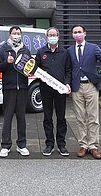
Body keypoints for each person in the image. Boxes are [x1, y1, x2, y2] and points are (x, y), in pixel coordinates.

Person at [68, 24, 101, 159]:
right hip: (76, 87)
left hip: (91, 85)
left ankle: (93, 146)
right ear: (72, 35)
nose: (77, 34)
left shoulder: (93, 47)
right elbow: (68, 69)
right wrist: (67, 85)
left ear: (85, 33)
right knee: (80, 117)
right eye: (75, 32)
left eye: (80, 32)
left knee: (93, 117)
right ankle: (83, 145)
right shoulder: (69, 50)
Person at [0, 26, 32, 157]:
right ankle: (5, 145)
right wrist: (7, 62)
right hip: (9, 87)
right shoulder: (4, 49)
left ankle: (22, 145)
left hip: (22, 87)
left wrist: (30, 72)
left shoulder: (25, 49)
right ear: (9, 35)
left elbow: (30, 66)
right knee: (7, 117)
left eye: (18, 33)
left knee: (21, 117)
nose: (16, 35)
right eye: (14, 33)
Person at [35, 27, 72, 157]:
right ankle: (49, 144)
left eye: (54, 35)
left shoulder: (64, 52)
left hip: (60, 90)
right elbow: (36, 69)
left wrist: (67, 83)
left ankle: (61, 144)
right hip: (45, 90)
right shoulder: (41, 52)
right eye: (50, 35)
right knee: (47, 117)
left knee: (61, 117)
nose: (52, 37)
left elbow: (68, 70)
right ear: (46, 37)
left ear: (58, 37)